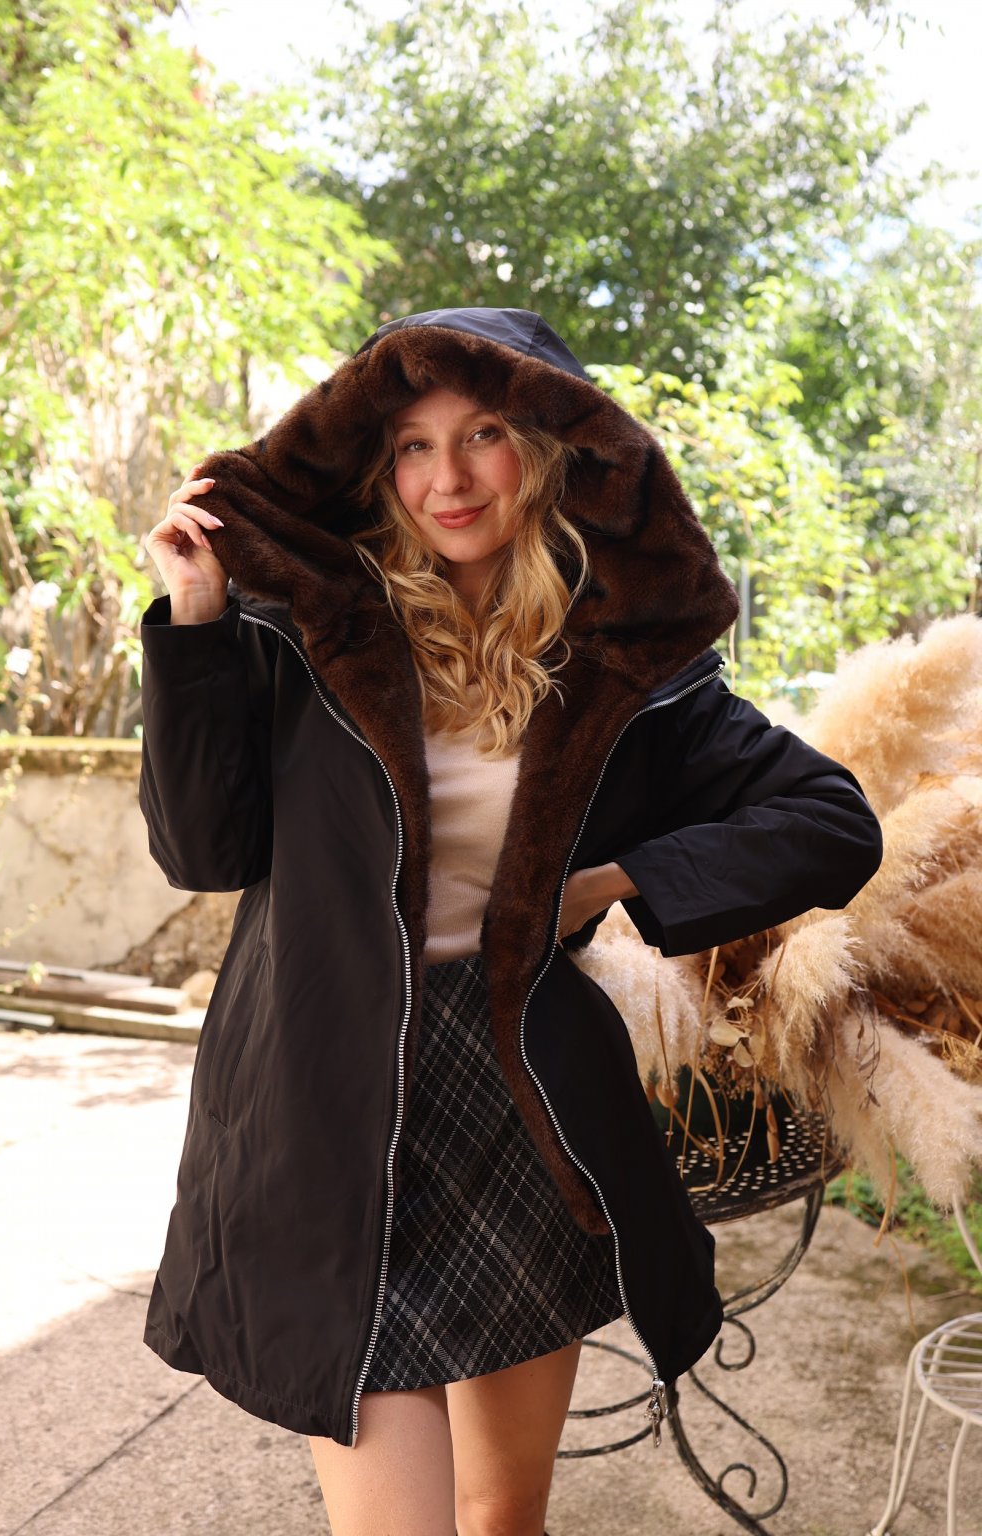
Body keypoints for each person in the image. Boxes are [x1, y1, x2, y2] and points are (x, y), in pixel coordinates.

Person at [138, 307, 883, 1536]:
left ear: (540, 449)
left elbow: (829, 822)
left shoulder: (627, 666)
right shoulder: (305, 627)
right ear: (379, 467)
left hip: (520, 1102)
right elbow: (201, 850)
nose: (448, 477)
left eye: (481, 434)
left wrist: (610, 883)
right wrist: (198, 621)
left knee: (503, 1513)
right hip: (328, 1105)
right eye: (413, 446)